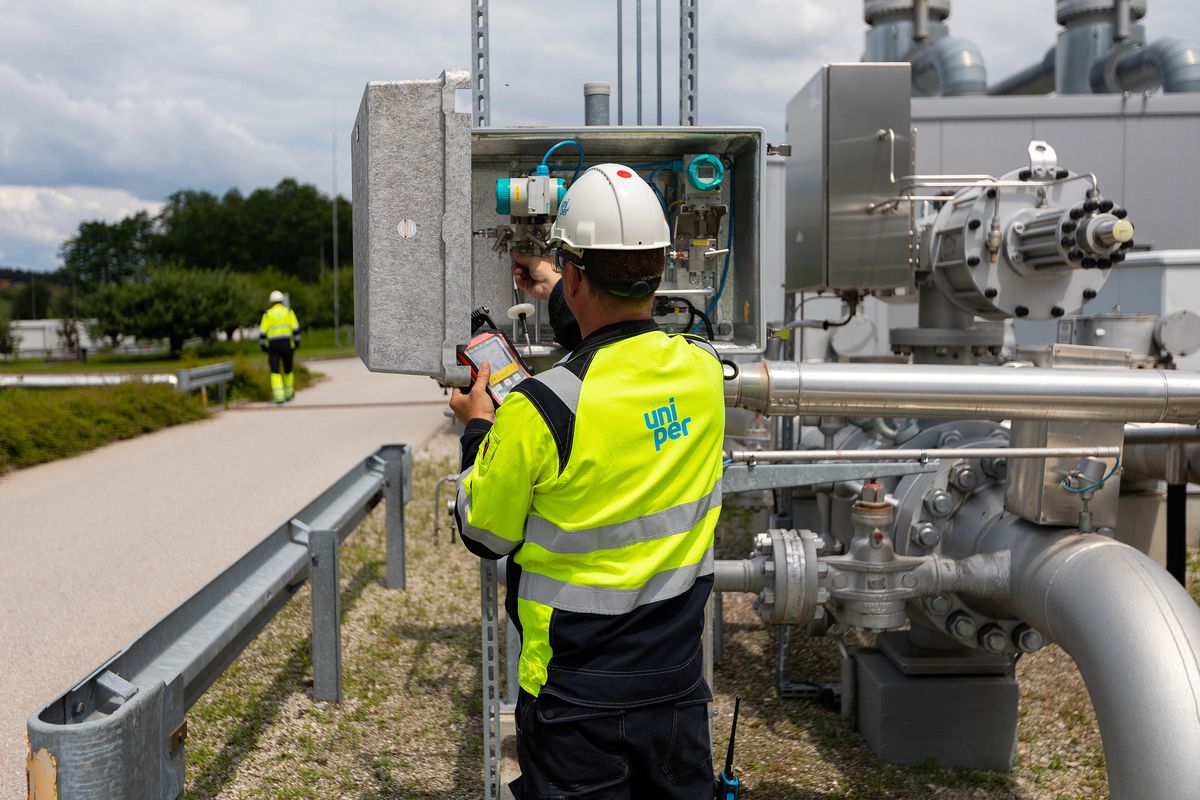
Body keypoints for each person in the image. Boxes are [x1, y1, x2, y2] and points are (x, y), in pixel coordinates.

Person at [450, 163, 725, 799]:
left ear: (575, 276)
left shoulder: (541, 408)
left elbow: (484, 533)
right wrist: (559, 287)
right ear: (662, 268)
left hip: (575, 699)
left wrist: (477, 428)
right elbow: (620, 342)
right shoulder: (704, 373)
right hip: (677, 685)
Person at [258, 290, 301, 404]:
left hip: (273, 346)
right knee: (288, 369)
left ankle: (279, 396)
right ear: (282, 301)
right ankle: (289, 393)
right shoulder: (288, 312)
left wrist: (263, 346)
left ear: (271, 302)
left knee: (275, 371)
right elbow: (296, 329)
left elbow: (262, 333)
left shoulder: (268, 314)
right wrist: (297, 343)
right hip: (287, 344)